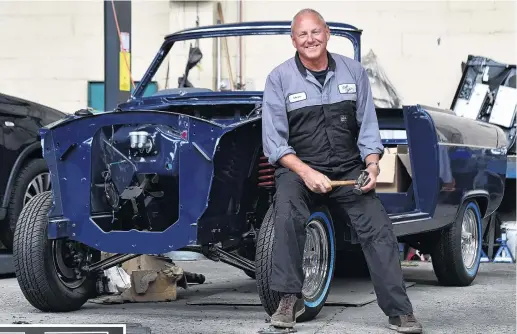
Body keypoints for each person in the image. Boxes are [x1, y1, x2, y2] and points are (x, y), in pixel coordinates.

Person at [261, 8, 423, 334]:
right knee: (288, 215)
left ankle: (400, 312)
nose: (310, 39)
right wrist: (307, 173)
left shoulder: (354, 72)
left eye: (316, 32)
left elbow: (368, 130)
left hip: (349, 168)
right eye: (303, 34)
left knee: (379, 229)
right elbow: (275, 145)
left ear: (327, 32)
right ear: (293, 40)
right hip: (299, 169)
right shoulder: (279, 78)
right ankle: (289, 301)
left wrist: (374, 166)